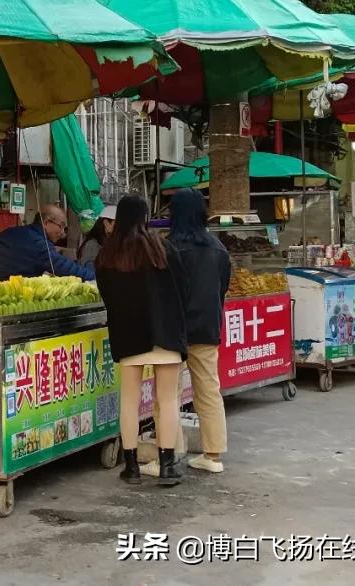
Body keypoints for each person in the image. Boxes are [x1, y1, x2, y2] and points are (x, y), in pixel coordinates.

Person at [95, 193, 187, 487]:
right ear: (145, 217)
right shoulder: (163, 248)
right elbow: (182, 287)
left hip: (128, 335)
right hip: (165, 334)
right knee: (168, 400)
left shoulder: (107, 255)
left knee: (129, 401)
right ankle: (167, 466)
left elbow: (107, 296)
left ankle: (132, 467)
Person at [141, 188, 231, 477]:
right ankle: (213, 455)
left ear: (174, 214)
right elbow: (223, 288)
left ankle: (169, 454)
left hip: (172, 331)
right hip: (207, 328)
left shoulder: (167, 248)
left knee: (167, 395)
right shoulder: (218, 248)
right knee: (209, 391)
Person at [0, 204, 95, 295]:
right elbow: (66, 268)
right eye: (61, 226)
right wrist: (96, 276)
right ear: (46, 222)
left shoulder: (8, 233)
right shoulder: (39, 244)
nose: (63, 233)